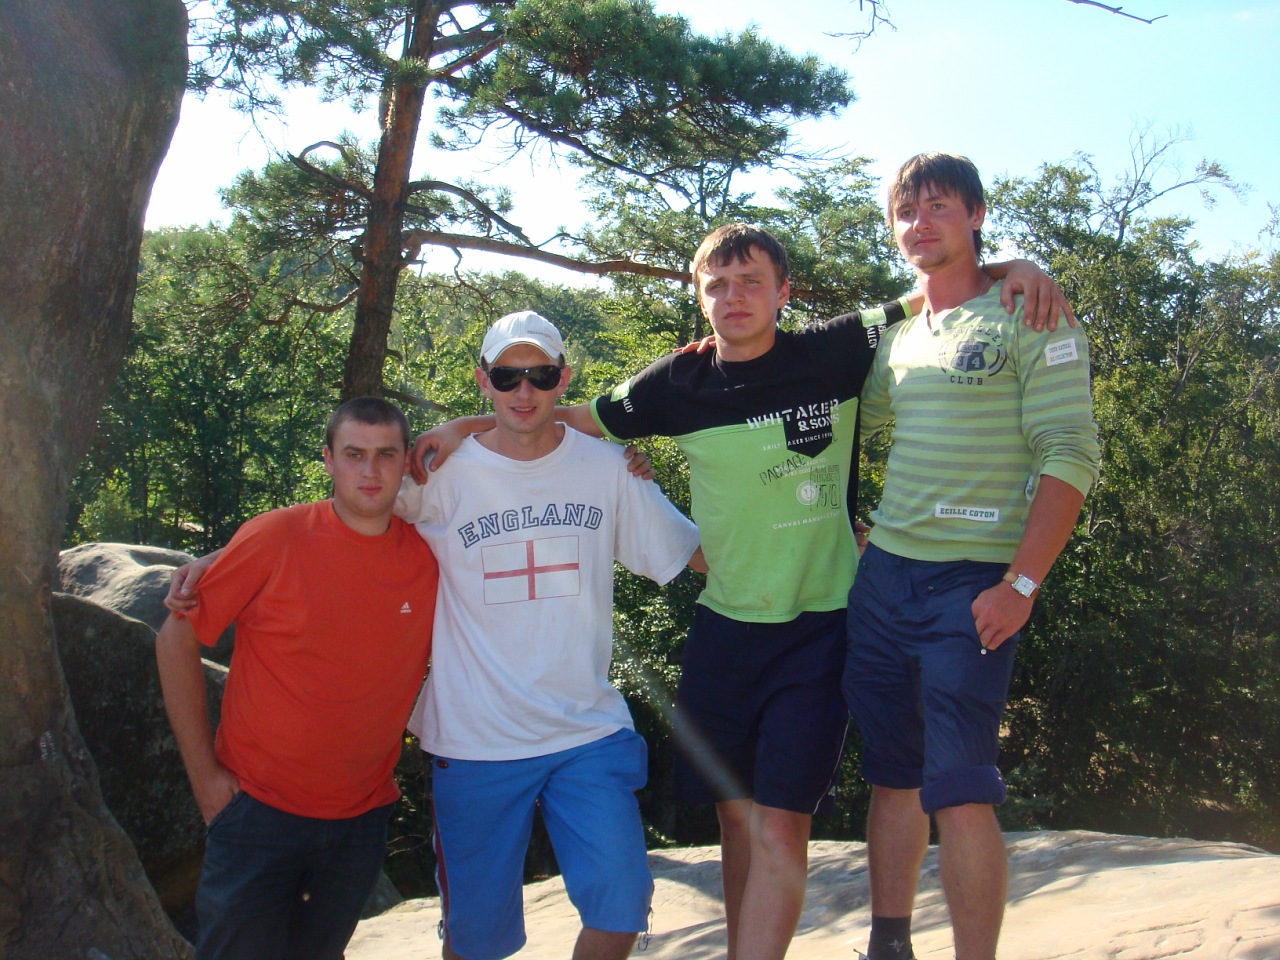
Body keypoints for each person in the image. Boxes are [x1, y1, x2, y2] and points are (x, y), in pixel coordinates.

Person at [411, 227, 1071, 960]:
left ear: (784, 292)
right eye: (718, 285)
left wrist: (1014, 266)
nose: (735, 297)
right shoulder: (674, 382)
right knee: (736, 822)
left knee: (781, 827)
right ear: (700, 299)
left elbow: (932, 288)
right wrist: (466, 425)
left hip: (820, 628)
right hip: (723, 629)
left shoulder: (836, 348)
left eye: (752, 281)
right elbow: (561, 417)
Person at [843, 153, 1100, 960]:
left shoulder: (1031, 311)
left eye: (939, 207)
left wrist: (1020, 584)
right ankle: (889, 944)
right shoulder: (897, 332)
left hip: (973, 584)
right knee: (893, 775)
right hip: (883, 579)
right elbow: (837, 419)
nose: (920, 223)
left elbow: (1070, 453)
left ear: (976, 214)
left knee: (959, 787)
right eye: (906, 210)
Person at [396, 310, 703, 960]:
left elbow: (687, 552)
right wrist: (235, 560)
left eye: (539, 375)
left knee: (622, 907)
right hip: (474, 739)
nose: (524, 390)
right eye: (508, 376)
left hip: (584, 732)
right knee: (476, 942)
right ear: (483, 379)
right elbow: (355, 505)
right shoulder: (440, 473)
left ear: (563, 379)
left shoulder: (609, 468)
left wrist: (819, 546)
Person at [155, 397, 440, 960]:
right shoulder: (276, 537)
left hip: (359, 821)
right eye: (353, 454)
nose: (370, 470)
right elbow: (175, 638)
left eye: (386, 454)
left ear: (406, 461)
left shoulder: (431, 558)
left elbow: (516, 440)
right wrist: (204, 778)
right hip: (257, 814)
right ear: (328, 459)